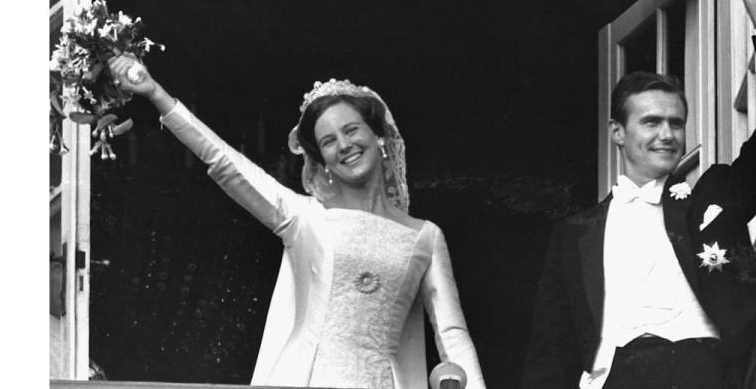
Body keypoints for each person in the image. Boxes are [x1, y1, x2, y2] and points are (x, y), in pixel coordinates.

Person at [519, 0, 756, 389]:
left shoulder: (713, 197)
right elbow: (550, 356)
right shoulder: (574, 234)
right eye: (651, 122)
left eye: (676, 123)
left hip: (707, 375)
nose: (668, 135)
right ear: (618, 133)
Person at [105, 62, 486, 389]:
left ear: (379, 137)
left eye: (352, 130)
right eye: (329, 141)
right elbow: (224, 162)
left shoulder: (425, 236)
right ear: (322, 161)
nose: (345, 145)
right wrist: (157, 94)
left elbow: (453, 336)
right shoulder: (306, 218)